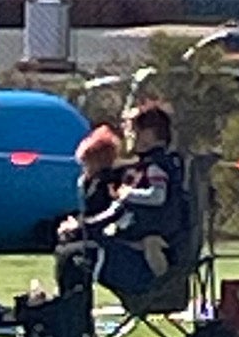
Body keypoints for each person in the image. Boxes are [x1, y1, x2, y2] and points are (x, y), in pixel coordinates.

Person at [56, 102, 193, 313]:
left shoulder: (155, 167)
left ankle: (74, 330)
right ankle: (74, 327)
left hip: (147, 264)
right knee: (70, 250)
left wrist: (127, 195)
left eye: (132, 131)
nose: (127, 137)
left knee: (78, 258)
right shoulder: (148, 167)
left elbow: (156, 198)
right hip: (136, 251)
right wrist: (83, 227)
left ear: (148, 134)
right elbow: (116, 211)